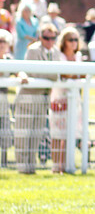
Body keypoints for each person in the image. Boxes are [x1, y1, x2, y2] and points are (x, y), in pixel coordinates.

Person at [15, 24, 59, 174]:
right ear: (41, 37)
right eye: (46, 38)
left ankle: (31, 167)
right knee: (23, 134)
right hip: (28, 97)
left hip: (43, 99)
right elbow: (35, 73)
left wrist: (48, 75)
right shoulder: (33, 50)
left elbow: (55, 75)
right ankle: (22, 167)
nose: (49, 41)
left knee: (36, 134)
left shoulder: (56, 52)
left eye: (52, 38)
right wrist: (49, 75)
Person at [49, 26, 83, 173]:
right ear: (64, 41)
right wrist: (75, 76)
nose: (74, 42)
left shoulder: (79, 56)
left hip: (74, 99)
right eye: (71, 40)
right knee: (57, 134)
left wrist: (75, 76)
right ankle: (56, 166)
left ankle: (67, 164)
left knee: (71, 133)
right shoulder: (59, 56)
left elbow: (79, 75)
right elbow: (63, 75)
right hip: (60, 98)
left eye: (76, 39)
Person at [0, 29, 14, 166]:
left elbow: (18, 71)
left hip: (3, 101)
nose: (1, 44)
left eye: (4, 42)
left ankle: (3, 162)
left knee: (4, 131)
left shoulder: (10, 59)